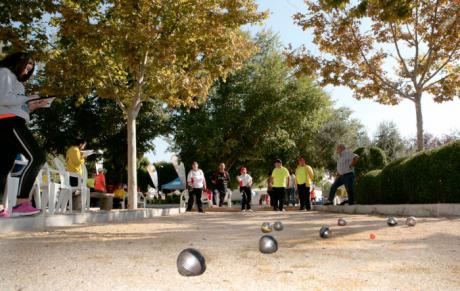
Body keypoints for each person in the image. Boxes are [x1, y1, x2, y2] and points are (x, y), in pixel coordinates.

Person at [0, 52, 50, 217]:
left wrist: (32, 106)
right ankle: (22, 202)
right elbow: (2, 98)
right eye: (28, 65)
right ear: (18, 61)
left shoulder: (16, 81)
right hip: (9, 122)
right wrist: (27, 98)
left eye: (31, 67)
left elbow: (16, 105)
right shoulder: (5, 72)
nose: (29, 69)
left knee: (3, 167)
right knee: (37, 157)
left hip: (12, 120)